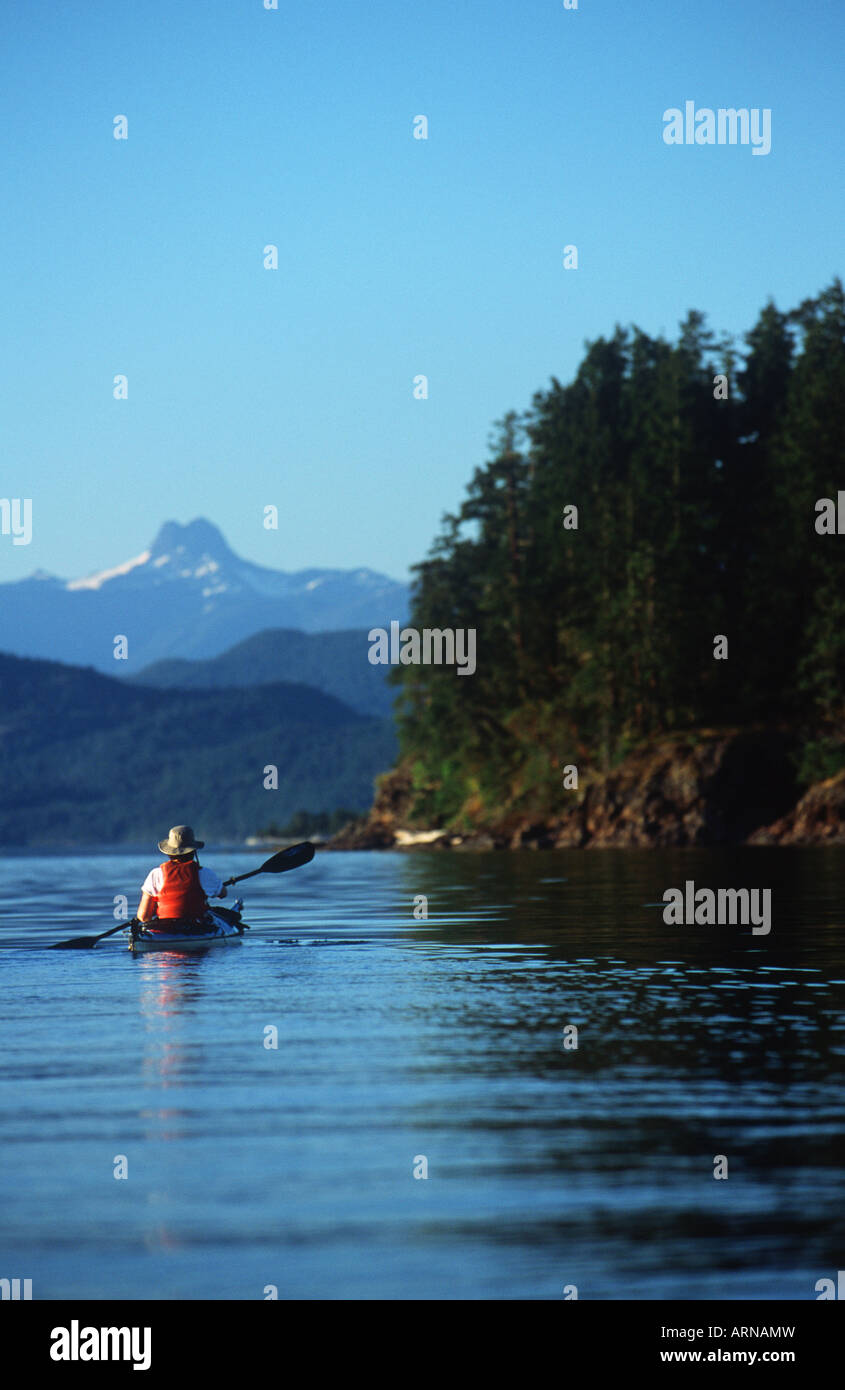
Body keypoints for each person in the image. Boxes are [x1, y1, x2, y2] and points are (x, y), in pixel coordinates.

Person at [136, 825, 228, 933]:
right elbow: (223, 894)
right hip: (198, 930)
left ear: (169, 852)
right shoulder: (205, 873)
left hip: (164, 932)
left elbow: (143, 917)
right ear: (194, 851)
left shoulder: (155, 874)